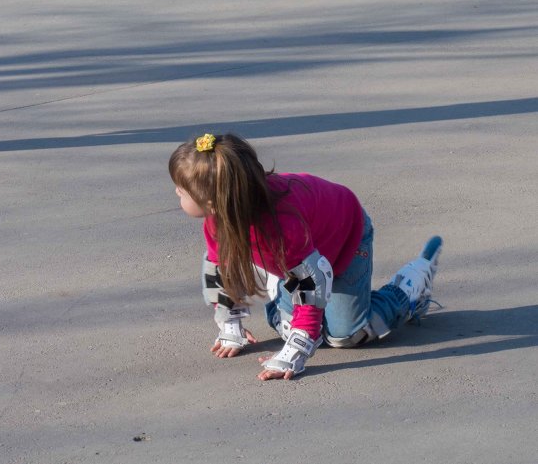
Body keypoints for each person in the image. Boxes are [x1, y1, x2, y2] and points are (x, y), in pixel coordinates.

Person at [169, 133, 443, 381]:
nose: (176, 193)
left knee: (345, 336)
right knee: (289, 328)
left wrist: (294, 354)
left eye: (181, 191)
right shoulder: (218, 218)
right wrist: (230, 325)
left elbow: (312, 286)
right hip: (300, 260)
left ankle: (408, 290)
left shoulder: (281, 226)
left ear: (214, 200)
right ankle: (280, 286)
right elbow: (221, 267)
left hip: (346, 239)